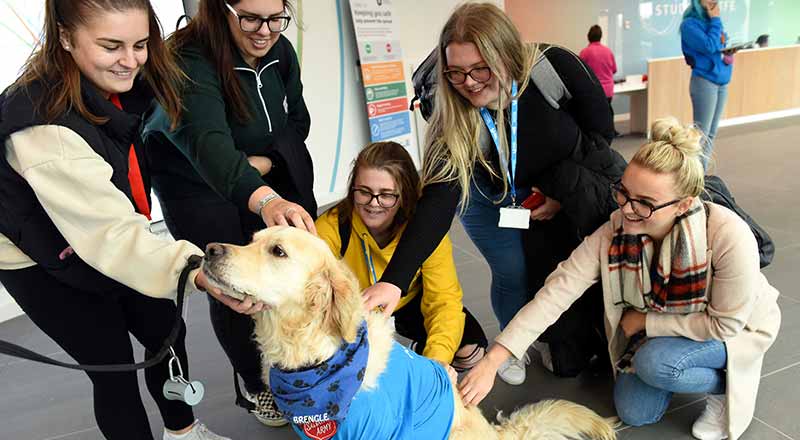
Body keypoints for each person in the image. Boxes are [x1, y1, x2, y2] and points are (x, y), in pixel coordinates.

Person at [0, 0, 261, 438]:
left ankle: (183, 431)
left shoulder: (124, 83)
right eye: (110, 46)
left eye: (140, 44)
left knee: (164, 332)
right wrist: (197, 271)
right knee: (112, 366)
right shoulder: (44, 128)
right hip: (36, 254)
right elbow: (109, 235)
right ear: (65, 37)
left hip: (106, 222)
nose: (130, 60)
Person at [460, 117, 782, 440]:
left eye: (644, 204)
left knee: (655, 363)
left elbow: (725, 324)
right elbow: (557, 292)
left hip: (735, 328)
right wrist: (494, 359)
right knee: (634, 412)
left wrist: (645, 322)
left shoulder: (728, 236)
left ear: (684, 204)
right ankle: (678, 366)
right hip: (669, 324)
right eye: (623, 194)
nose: (627, 210)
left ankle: (726, 384)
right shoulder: (615, 230)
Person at [360, 2, 626, 385]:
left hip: (553, 188)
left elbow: (601, 132)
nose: (468, 82)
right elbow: (437, 201)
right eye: (455, 72)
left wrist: (561, 194)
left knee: (565, 263)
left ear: (507, 55)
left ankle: (572, 335)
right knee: (513, 271)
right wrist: (394, 280)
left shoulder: (554, 68)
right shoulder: (451, 112)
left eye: (480, 68)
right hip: (486, 196)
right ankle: (511, 344)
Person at [142, 0, 315, 427]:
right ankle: (255, 385)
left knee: (276, 274)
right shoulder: (186, 59)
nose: (265, 31)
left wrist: (265, 166)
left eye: (276, 18)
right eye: (251, 19)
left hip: (260, 176)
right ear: (220, 10)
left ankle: (291, 366)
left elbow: (298, 121)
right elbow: (208, 147)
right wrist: (265, 192)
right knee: (233, 281)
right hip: (195, 186)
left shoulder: (281, 50)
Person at [315, 141, 488, 372]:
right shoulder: (331, 227)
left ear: (405, 194)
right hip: (355, 310)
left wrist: (434, 364)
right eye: (364, 192)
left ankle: (417, 353)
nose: (373, 204)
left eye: (386, 195)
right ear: (352, 189)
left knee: (471, 353)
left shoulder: (425, 230)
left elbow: (444, 300)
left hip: (407, 302)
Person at [681, 0, 733, 170]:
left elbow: (719, 43)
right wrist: (716, 21)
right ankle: (695, 176)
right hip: (704, 82)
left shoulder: (712, 21)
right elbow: (710, 46)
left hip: (721, 81)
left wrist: (727, 50)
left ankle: (702, 174)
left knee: (711, 134)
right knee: (701, 135)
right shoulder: (689, 25)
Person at [579, 24, 617, 120]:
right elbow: (614, 70)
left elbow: (580, 72)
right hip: (608, 91)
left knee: (594, 116)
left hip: (594, 91)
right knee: (607, 111)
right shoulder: (608, 51)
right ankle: (610, 132)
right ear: (600, 36)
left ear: (588, 37)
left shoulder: (585, 52)